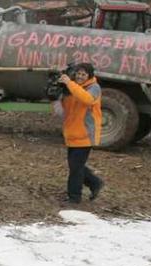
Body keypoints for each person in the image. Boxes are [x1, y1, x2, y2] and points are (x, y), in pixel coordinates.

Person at [55, 63, 104, 204]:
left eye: (83, 74)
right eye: (78, 74)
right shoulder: (72, 87)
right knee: (75, 165)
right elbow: (66, 109)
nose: (80, 76)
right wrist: (59, 95)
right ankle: (95, 182)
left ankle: (74, 197)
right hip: (72, 134)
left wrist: (69, 83)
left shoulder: (94, 88)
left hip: (85, 134)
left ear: (90, 76)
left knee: (75, 167)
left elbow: (86, 99)